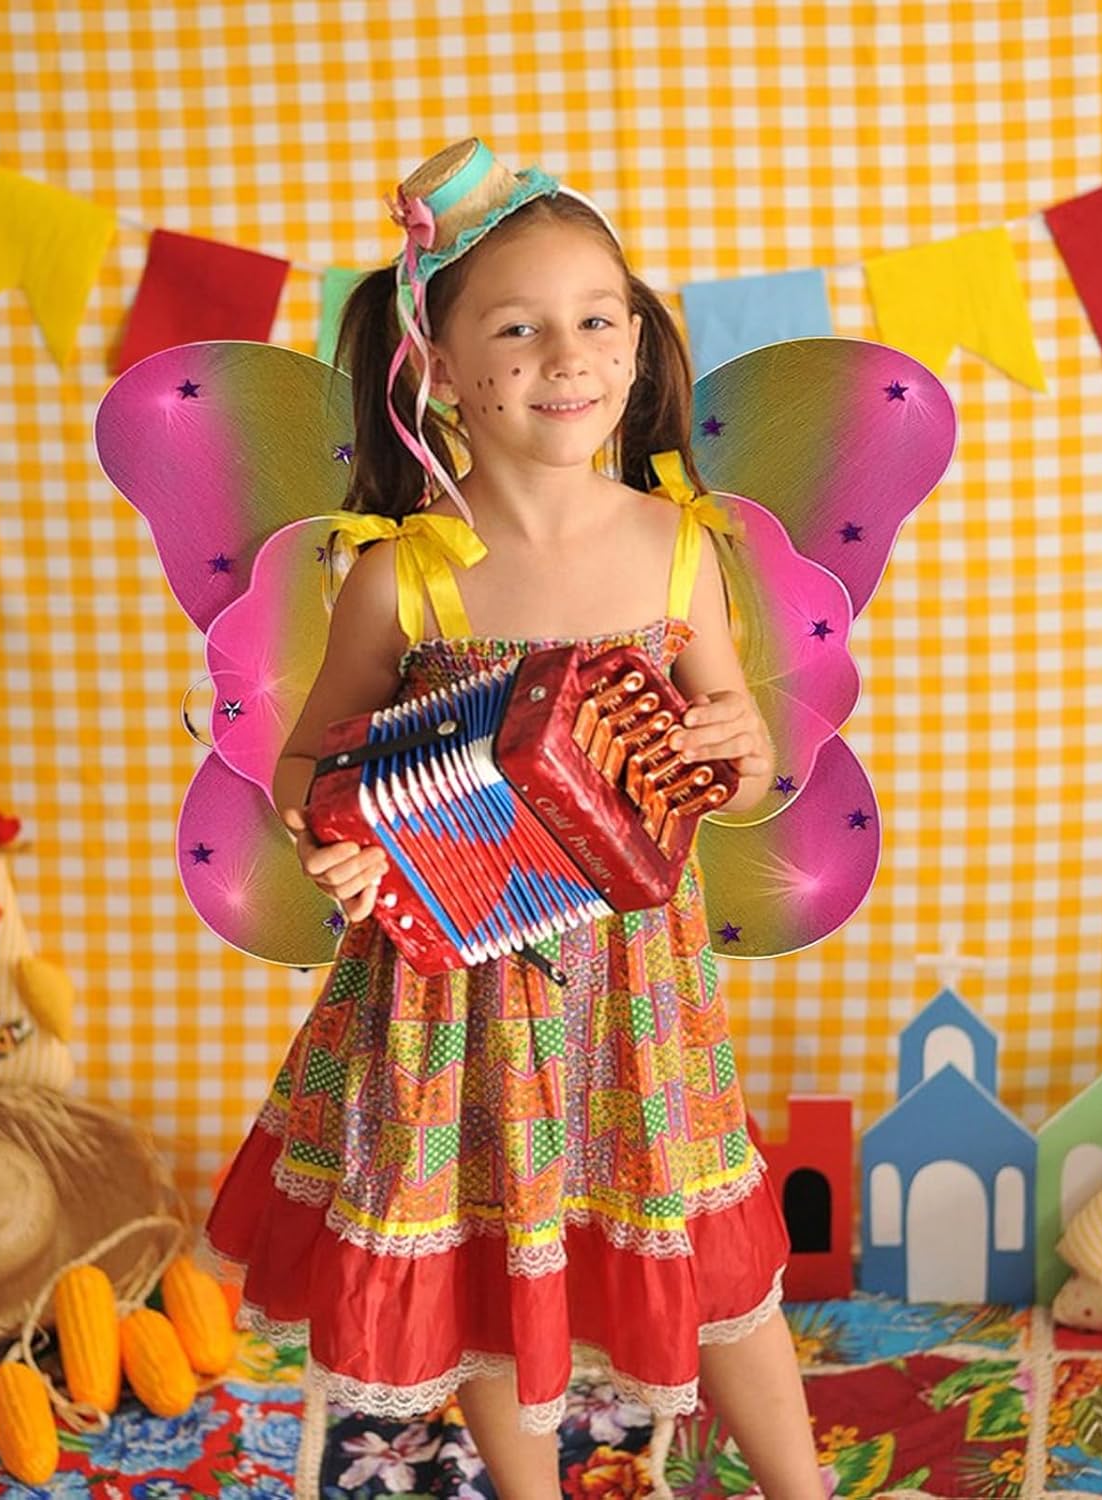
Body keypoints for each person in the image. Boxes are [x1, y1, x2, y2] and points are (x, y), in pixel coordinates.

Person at [203, 139, 826, 1500]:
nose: (568, 355)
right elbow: (312, 765)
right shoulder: (401, 581)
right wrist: (336, 839)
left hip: (635, 983)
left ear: (637, 347)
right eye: (519, 328)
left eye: (598, 319)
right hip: (454, 986)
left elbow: (739, 765)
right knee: (487, 1251)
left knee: (713, 1245)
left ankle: (803, 1489)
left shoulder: (678, 547)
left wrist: (739, 746)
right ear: (438, 368)